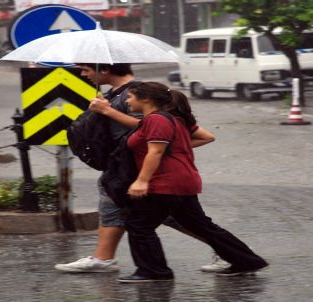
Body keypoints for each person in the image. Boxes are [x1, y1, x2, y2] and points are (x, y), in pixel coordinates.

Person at [55, 64, 226, 273]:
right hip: (121, 166)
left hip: (136, 169)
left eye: (86, 69)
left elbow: (149, 127)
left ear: (105, 69)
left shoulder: (137, 95)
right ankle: (103, 257)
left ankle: (226, 250)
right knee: (115, 206)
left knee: (170, 216)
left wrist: (107, 111)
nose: (83, 74)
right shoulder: (117, 93)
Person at [114, 81, 268, 283]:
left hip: (165, 182)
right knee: (201, 226)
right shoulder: (169, 119)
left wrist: (142, 181)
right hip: (181, 180)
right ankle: (247, 261)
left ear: (146, 99)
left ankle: (154, 271)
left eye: (131, 96)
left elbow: (156, 151)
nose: (127, 100)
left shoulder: (157, 120)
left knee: (139, 224)